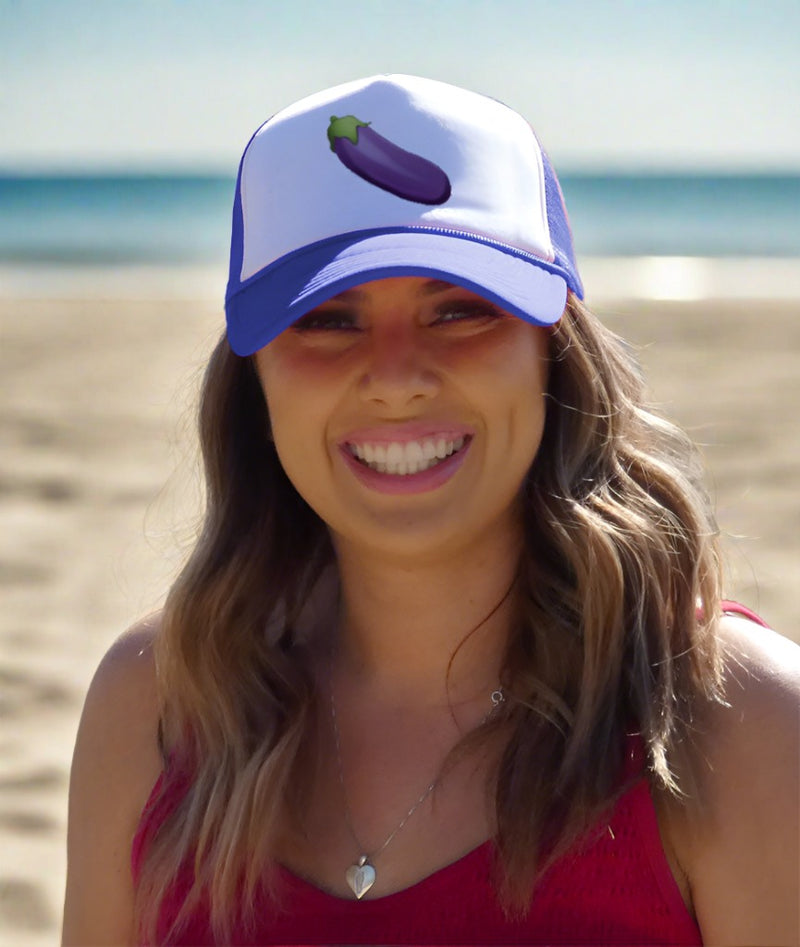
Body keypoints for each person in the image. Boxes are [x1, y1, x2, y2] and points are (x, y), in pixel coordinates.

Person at [62, 75, 800, 946]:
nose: (399, 375)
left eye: (461, 309)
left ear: (553, 354)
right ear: (254, 382)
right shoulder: (157, 703)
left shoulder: (735, 718)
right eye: (329, 319)